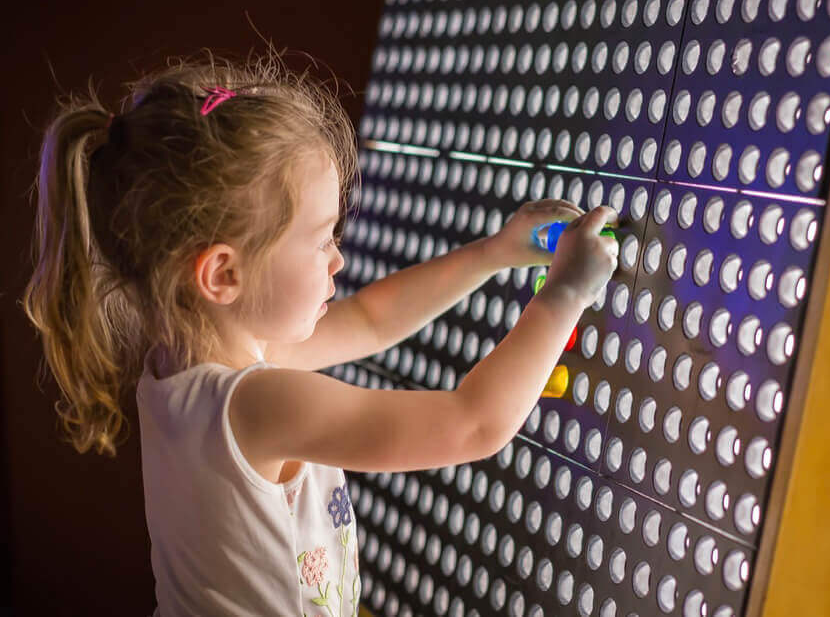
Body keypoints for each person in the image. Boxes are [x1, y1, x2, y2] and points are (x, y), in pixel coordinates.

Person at [20, 47, 619, 616]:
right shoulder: (257, 404)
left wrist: (492, 253)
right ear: (223, 274)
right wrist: (563, 296)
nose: (338, 259)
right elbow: (472, 425)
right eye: (319, 240)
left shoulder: (184, 362)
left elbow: (370, 319)